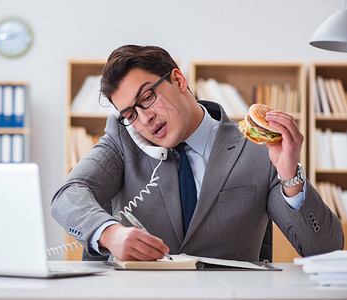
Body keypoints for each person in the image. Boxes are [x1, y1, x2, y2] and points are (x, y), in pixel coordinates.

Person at [51, 45, 344, 262]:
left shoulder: (256, 150)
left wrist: (290, 177)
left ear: (178, 80)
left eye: (147, 97)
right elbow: (68, 194)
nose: (144, 119)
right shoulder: (124, 140)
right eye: (130, 113)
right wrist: (108, 232)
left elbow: (325, 252)